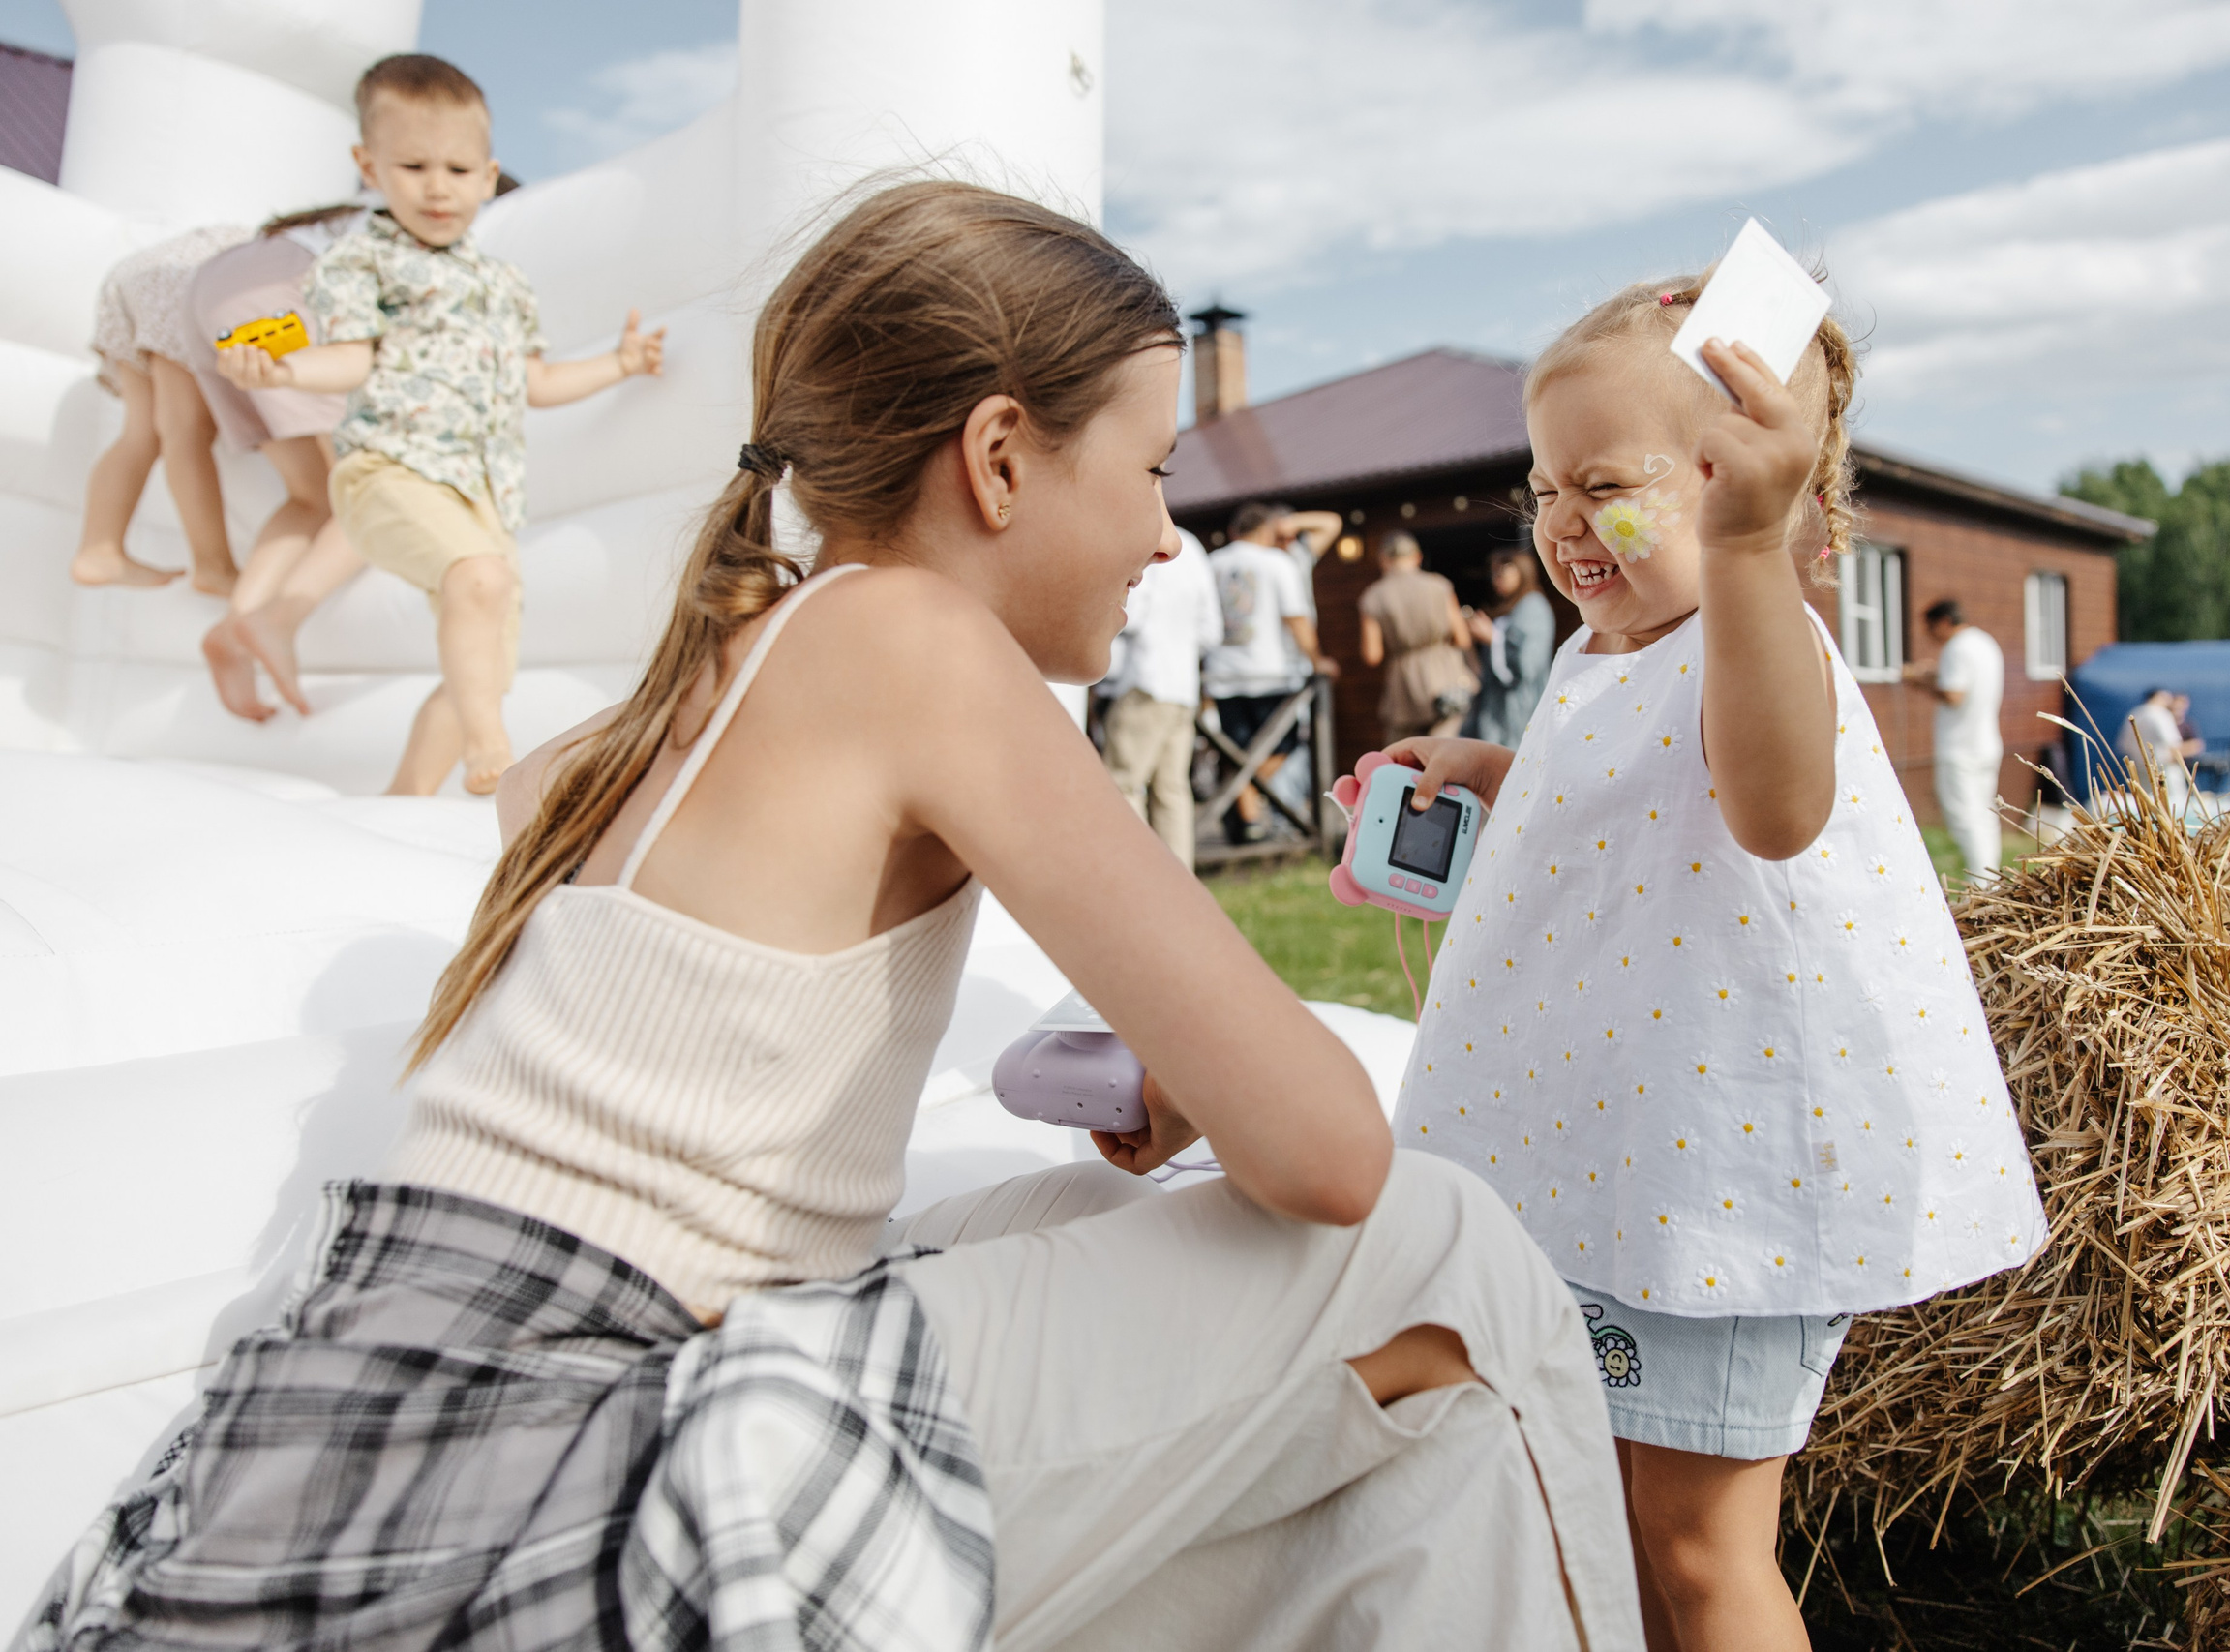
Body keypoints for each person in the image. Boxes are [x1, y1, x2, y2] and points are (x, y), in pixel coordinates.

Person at [18, 181, 1641, 1652]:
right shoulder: (916, 646)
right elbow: (1332, 1157)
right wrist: (1211, 1060)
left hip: (341, 1480)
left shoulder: (672, 697)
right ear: (1002, 457)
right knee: (1442, 1253)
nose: (1164, 533)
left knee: (1111, 1246)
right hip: (567, 1483)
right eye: (1149, 471)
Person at [1380, 269, 2045, 1652]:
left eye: (1604, 484)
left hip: (1721, 1202)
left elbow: (1770, 800)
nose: (1563, 522)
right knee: (1623, 1519)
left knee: (1699, 1548)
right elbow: (1632, 791)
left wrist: (1750, 553)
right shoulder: (1604, 652)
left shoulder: (1758, 636)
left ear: (1738, 481)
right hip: (1624, 1182)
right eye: (1543, 486)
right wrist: (1492, 770)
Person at [217, 54, 665, 795]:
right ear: (369, 166)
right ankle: (493, 748)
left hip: (477, 492)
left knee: (482, 662)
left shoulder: (502, 284)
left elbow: (538, 384)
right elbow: (350, 359)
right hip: (387, 469)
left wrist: (620, 365)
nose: (436, 187)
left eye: (458, 170)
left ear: (489, 176)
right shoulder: (366, 262)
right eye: (413, 165)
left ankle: (405, 805)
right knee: (480, 583)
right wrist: (286, 371)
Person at [185, 204, 372, 720]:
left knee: (311, 495)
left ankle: (236, 627)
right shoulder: (422, 215)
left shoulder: (322, 221)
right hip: (275, 291)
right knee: (374, 490)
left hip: (213, 296)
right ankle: (277, 619)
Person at [71, 223, 254, 593]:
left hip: (137, 277)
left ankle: (99, 548)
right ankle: (212, 564)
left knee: (142, 431)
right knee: (186, 429)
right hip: (179, 280)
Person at [1203, 501, 1339, 843]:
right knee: (1283, 744)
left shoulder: (1213, 562)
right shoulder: (1276, 562)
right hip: (1270, 674)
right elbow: (1296, 617)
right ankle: (1248, 803)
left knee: (1238, 750)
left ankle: (1248, 821)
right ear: (1267, 530)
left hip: (1223, 673)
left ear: (1235, 531)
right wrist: (1317, 658)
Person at [1100, 526, 1220, 865]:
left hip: (1146, 677)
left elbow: (1132, 616)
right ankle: (1179, 881)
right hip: (1184, 687)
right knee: (1172, 790)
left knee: (1123, 783)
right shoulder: (1192, 545)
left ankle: (1134, 873)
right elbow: (1211, 629)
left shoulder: (1144, 537)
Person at [1902, 598, 2005, 883]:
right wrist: (1933, 673)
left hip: (1961, 748)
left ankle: (1982, 885)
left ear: (1945, 621)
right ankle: (1992, 879)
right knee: (1985, 815)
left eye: (1931, 627)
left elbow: (1954, 694)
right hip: (1987, 742)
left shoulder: (1956, 648)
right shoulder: (1985, 642)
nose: (1929, 635)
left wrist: (1918, 680)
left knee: (1964, 818)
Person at [1358, 530, 1479, 744]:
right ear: (1417, 557)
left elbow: (1372, 655)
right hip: (1446, 677)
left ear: (1384, 560)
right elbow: (1463, 639)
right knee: (1449, 751)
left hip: (1403, 687)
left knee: (1405, 758)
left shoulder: (1373, 597)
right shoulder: (1439, 585)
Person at [1468, 545, 1555, 748]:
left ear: (1522, 571)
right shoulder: (1516, 607)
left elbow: (1527, 666)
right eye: (1493, 572)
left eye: (1502, 571)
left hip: (1519, 710)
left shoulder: (1533, 606)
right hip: (1501, 709)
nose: (1496, 578)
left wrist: (1493, 638)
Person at [2116, 685, 2191, 814]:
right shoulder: (2161, 714)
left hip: (2139, 768)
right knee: (2175, 806)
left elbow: (2123, 745)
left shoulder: (2135, 714)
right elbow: (2173, 743)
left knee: (2146, 804)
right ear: (2157, 697)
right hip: (2163, 769)